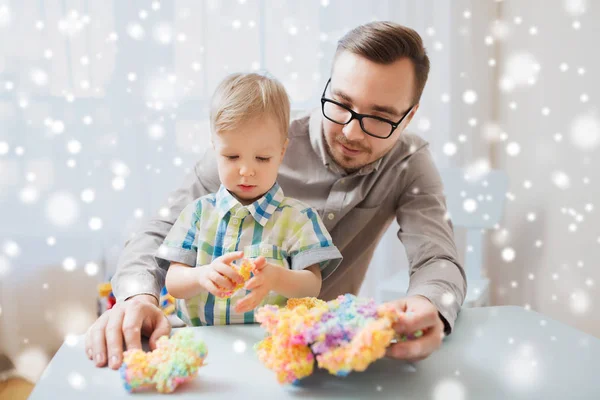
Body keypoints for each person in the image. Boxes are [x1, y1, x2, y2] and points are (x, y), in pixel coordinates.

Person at [86, 21, 467, 370]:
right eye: (341, 103)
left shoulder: (408, 162)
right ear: (327, 85)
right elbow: (160, 230)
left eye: (380, 118)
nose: (351, 132)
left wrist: (431, 305)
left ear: (410, 115)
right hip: (218, 345)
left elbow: (437, 257)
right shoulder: (255, 141)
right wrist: (138, 296)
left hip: (324, 356)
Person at [158, 72, 342, 326]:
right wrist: (201, 276)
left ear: (281, 151)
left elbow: (312, 286)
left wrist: (277, 278)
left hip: (269, 342)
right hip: (202, 343)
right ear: (215, 148)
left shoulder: (298, 219)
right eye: (232, 157)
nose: (246, 170)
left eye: (262, 158)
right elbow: (173, 283)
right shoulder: (198, 214)